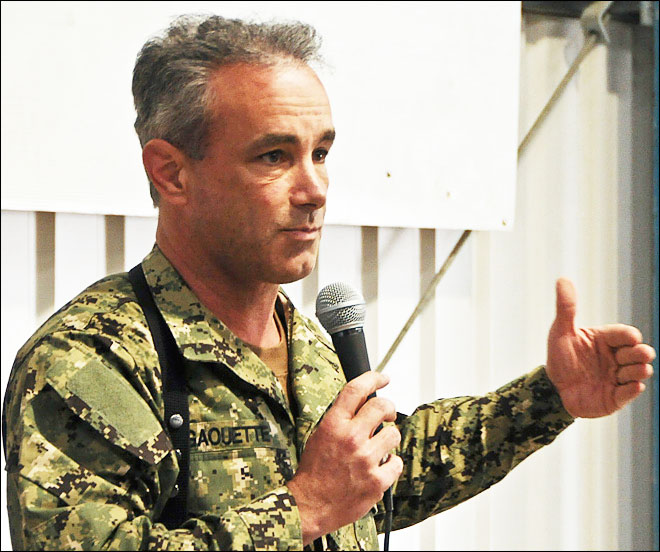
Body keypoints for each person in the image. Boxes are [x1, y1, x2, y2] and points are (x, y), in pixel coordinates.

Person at [2, 14, 655, 551]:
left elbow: (392, 471)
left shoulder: (305, 336)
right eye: (274, 156)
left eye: (321, 153)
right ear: (171, 173)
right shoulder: (89, 362)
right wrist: (305, 505)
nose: (315, 189)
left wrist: (551, 398)